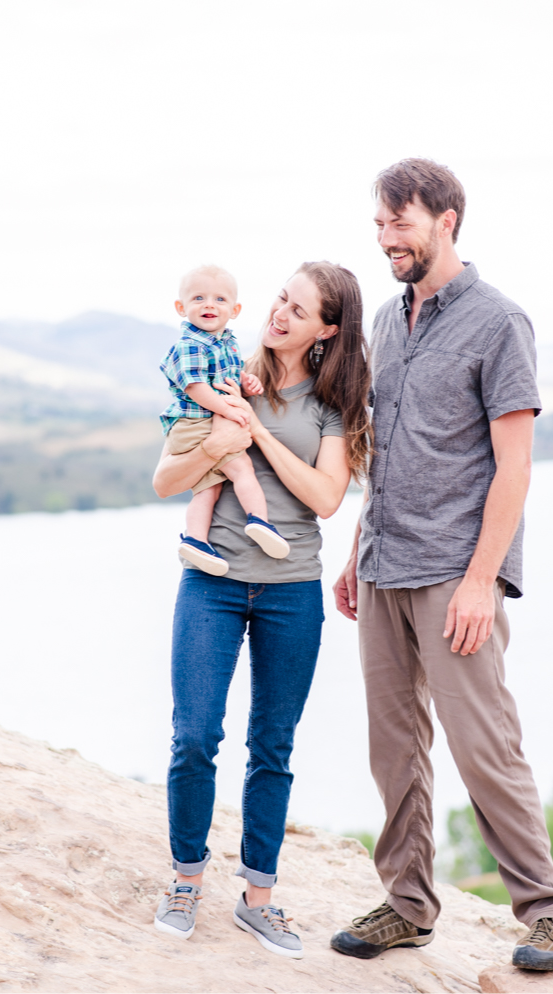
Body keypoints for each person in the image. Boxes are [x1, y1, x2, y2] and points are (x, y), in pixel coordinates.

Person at [329, 158, 553, 972]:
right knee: (392, 745)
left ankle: (549, 911)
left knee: (484, 743)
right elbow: (391, 449)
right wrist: (356, 548)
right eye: (378, 224)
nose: (385, 239)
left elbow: (514, 467)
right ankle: (406, 904)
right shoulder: (387, 321)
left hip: (452, 572)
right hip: (383, 561)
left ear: (446, 219)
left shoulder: (500, 322)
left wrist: (481, 580)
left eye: (398, 223)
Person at [150, 262, 372, 959]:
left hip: (291, 592)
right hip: (212, 583)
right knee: (194, 736)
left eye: (299, 310)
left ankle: (259, 900)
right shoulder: (222, 374)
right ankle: (186, 881)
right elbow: (166, 481)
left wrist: (259, 434)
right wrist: (222, 437)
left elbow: (326, 498)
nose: (279, 314)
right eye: (281, 299)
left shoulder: (331, 407)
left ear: (326, 330)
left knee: (271, 748)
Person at [158, 264, 286, 576]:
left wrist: (247, 384)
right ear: (181, 307)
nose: (209, 305)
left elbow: (229, 376)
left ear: (235, 309)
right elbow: (197, 387)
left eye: (219, 299)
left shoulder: (225, 342)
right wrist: (230, 410)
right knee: (242, 469)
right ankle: (259, 520)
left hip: (202, 423)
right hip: (195, 422)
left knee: (209, 488)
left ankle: (195, 540)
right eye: (198, 298)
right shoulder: (189, 344)